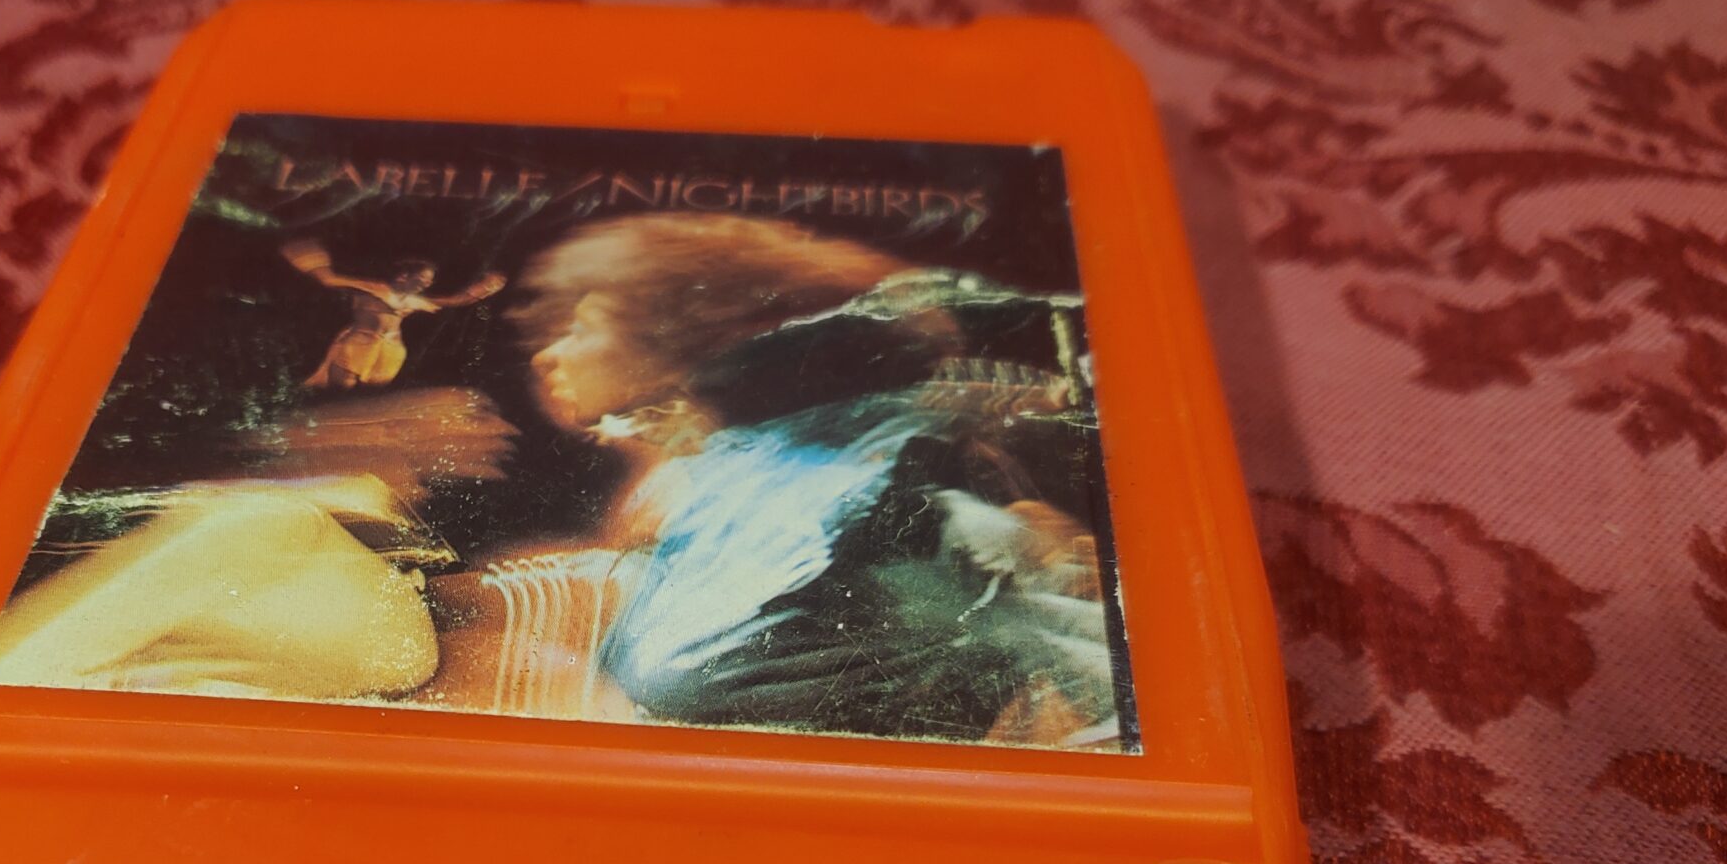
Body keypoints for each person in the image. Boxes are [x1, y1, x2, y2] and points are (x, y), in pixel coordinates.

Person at [504, 211, 1121, 745]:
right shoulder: (724, 477)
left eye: (583, 328)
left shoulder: (828, 493)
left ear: (667, 336)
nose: (550, 355)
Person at [283, 241, 505, 390]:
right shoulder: (372, 289)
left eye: (429, 281)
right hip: (359, 344)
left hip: (390, 350)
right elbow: (330, 280)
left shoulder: (413, 300)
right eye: (423, 279)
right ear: (403, 276)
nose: (426, 284)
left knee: (371, 392)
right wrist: (311, 260)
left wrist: (484, 288)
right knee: (342, 387)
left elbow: (455, 300)